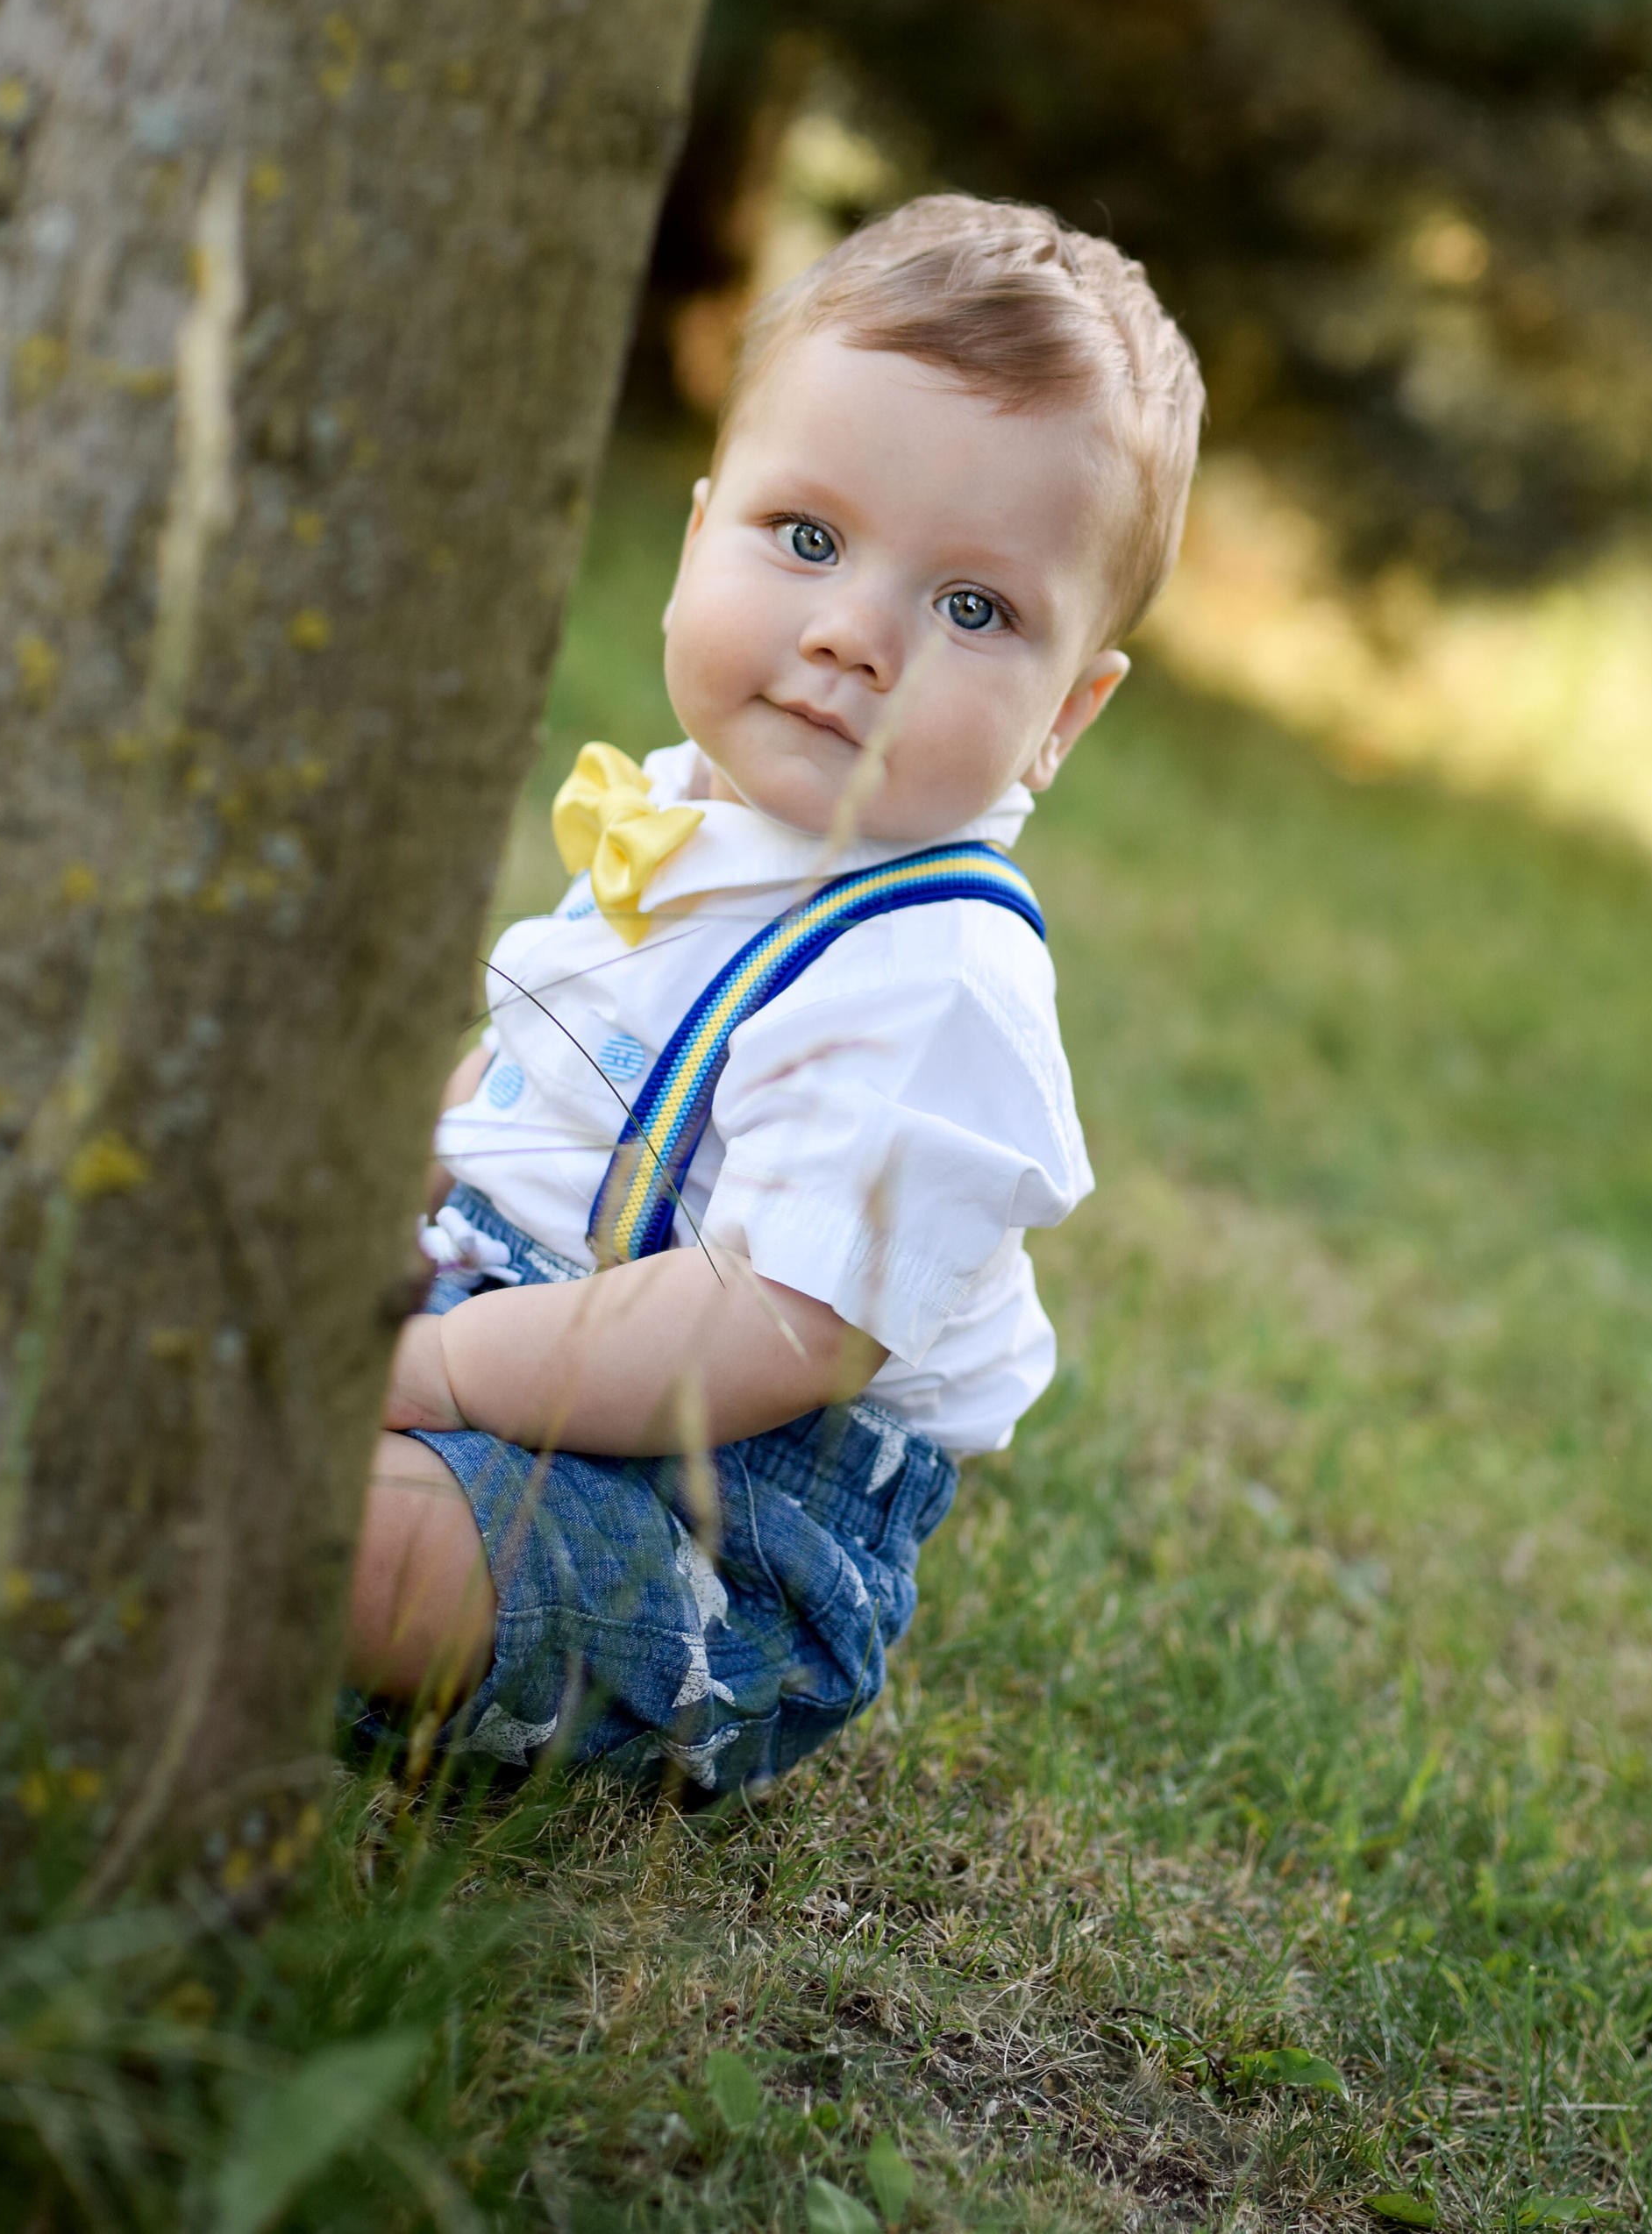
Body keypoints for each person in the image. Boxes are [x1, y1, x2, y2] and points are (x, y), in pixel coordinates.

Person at [347, 195, 1203, 1792]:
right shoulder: (691, 808)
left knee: (350, 1547)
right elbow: (532, 1068)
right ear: (693, 543)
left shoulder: (940, 977)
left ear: (1064, 718)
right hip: (507, 1314)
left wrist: (447, 1372)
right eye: (807, 541)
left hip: (715, 1507)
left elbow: (773, 1331)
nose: (851, 637)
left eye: (973, 610)